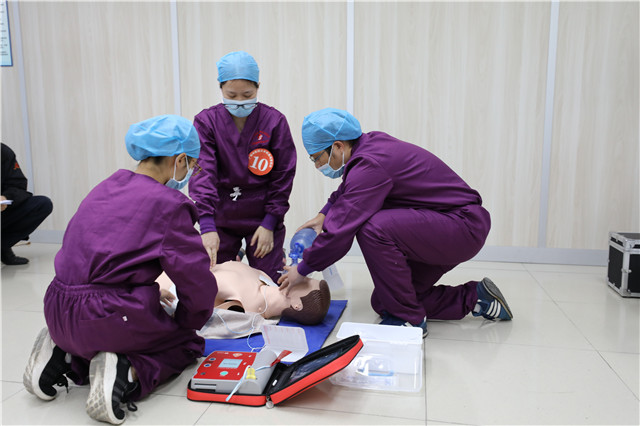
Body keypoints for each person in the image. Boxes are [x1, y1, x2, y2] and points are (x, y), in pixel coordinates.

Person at [22, 115, 218, 425]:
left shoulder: (105, 187)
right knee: (186, 343)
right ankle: (127, 373)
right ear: (180, 160)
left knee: (104, 332)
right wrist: (187, 321)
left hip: (56, 308)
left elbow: (96, 253)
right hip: (107, 316)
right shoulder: (170, 204)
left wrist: (142, 292)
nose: (190, 173)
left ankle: (64, 355)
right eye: (192, 165)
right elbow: (196, 281)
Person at [278, 108, 513, 338]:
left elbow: (339, 232)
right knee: (385, 302)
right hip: (447, 225)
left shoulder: (369, 164)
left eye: (317, 157)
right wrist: (324, 214)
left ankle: (410, 320)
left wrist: (303, 268)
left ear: (338, 146)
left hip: (461, 226)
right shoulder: (369, 147)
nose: (317, 165)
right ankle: (477, 297)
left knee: (372, 228)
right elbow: (349, 189)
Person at [189, 51, 296, 283]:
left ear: (258, 87)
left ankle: (265, 254)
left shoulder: (274, 121)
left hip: (261, 214)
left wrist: (270, 223)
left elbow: (283, 175)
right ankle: (235, 254)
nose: (239, 101)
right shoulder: (206, 122)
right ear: (220, 88)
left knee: (270, 283)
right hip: (221, 215)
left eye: (247, 94)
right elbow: (203, 174)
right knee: (214, 281)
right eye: (231, 95)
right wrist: (207, 226)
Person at [158, 260, 331, 328]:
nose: (302, 277)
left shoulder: (247, 307)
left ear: (296, 305)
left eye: (306, 282)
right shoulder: (268, 282)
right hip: (170, 265)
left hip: (162, 285)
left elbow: (189, 304)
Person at [1, 143, 53, 265]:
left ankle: (3, 246)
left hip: (2, 211)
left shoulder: (3, 152)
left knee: (42, 204)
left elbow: (18, 185)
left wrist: (6, 197)